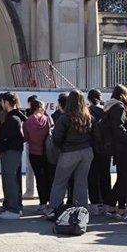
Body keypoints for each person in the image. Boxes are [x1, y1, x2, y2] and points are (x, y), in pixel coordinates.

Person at [46, 90, 94, 218]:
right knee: (81, 183)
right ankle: (81, 211)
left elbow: (57, 137)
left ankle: (53, 209)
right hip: (87, 151)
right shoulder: (88, 116)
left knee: (60, 182)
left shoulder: (65, 118)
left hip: (69, 152)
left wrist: (62, 147)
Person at [104, 85, 127, 222]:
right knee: (125, 180)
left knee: (122, 179)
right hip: (124, 148)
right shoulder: (119, 107)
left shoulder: (110, 106)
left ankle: (111, 207)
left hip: (118, 148)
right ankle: (121, 211)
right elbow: (119, 129)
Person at [0, 92, 26, 220]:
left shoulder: (13, 119)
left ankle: (14, 209)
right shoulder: (15, 116)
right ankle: (12, 206)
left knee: (10, 180)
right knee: (10, 179)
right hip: (11, 152)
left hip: (11, 152)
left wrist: (0, 145)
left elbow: (8, 138)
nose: (1, 104)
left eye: (2, 102)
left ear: (7, 102)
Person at [23, 99, 53, 212]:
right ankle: (51, 201)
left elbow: (25, 138)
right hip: (47, 152)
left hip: (34, 153)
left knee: (39, 178)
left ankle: (42, 203)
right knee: (49, 177)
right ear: (40, 107)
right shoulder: (48, 119)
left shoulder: (27, 121)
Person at [87, 89, 112, 216]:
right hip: (106, 148)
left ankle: (95, 204)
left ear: (88, 98)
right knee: (105, 175)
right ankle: (106, 203)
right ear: (100, 97)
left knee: (92, 176)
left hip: (92, 147)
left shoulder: (87, 111)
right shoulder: (106, 111)